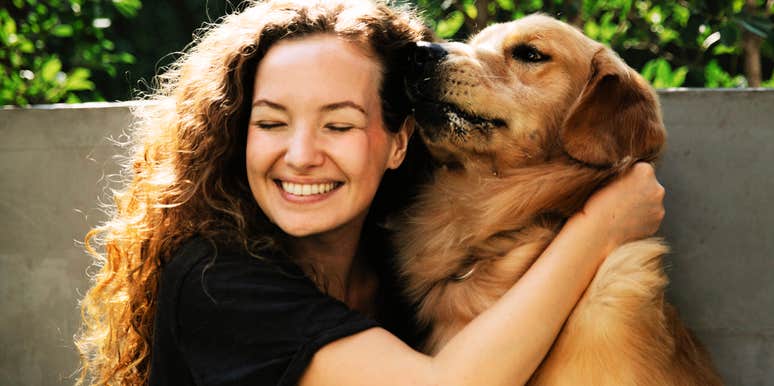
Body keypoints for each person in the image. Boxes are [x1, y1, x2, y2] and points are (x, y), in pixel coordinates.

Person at [75, 0, 666, 385]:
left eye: (339, 124)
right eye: (272, 122)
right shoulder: (216, 283)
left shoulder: (405, 263)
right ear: (237, 132)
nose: (301, 155)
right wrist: (600, 227)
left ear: (400, 143)